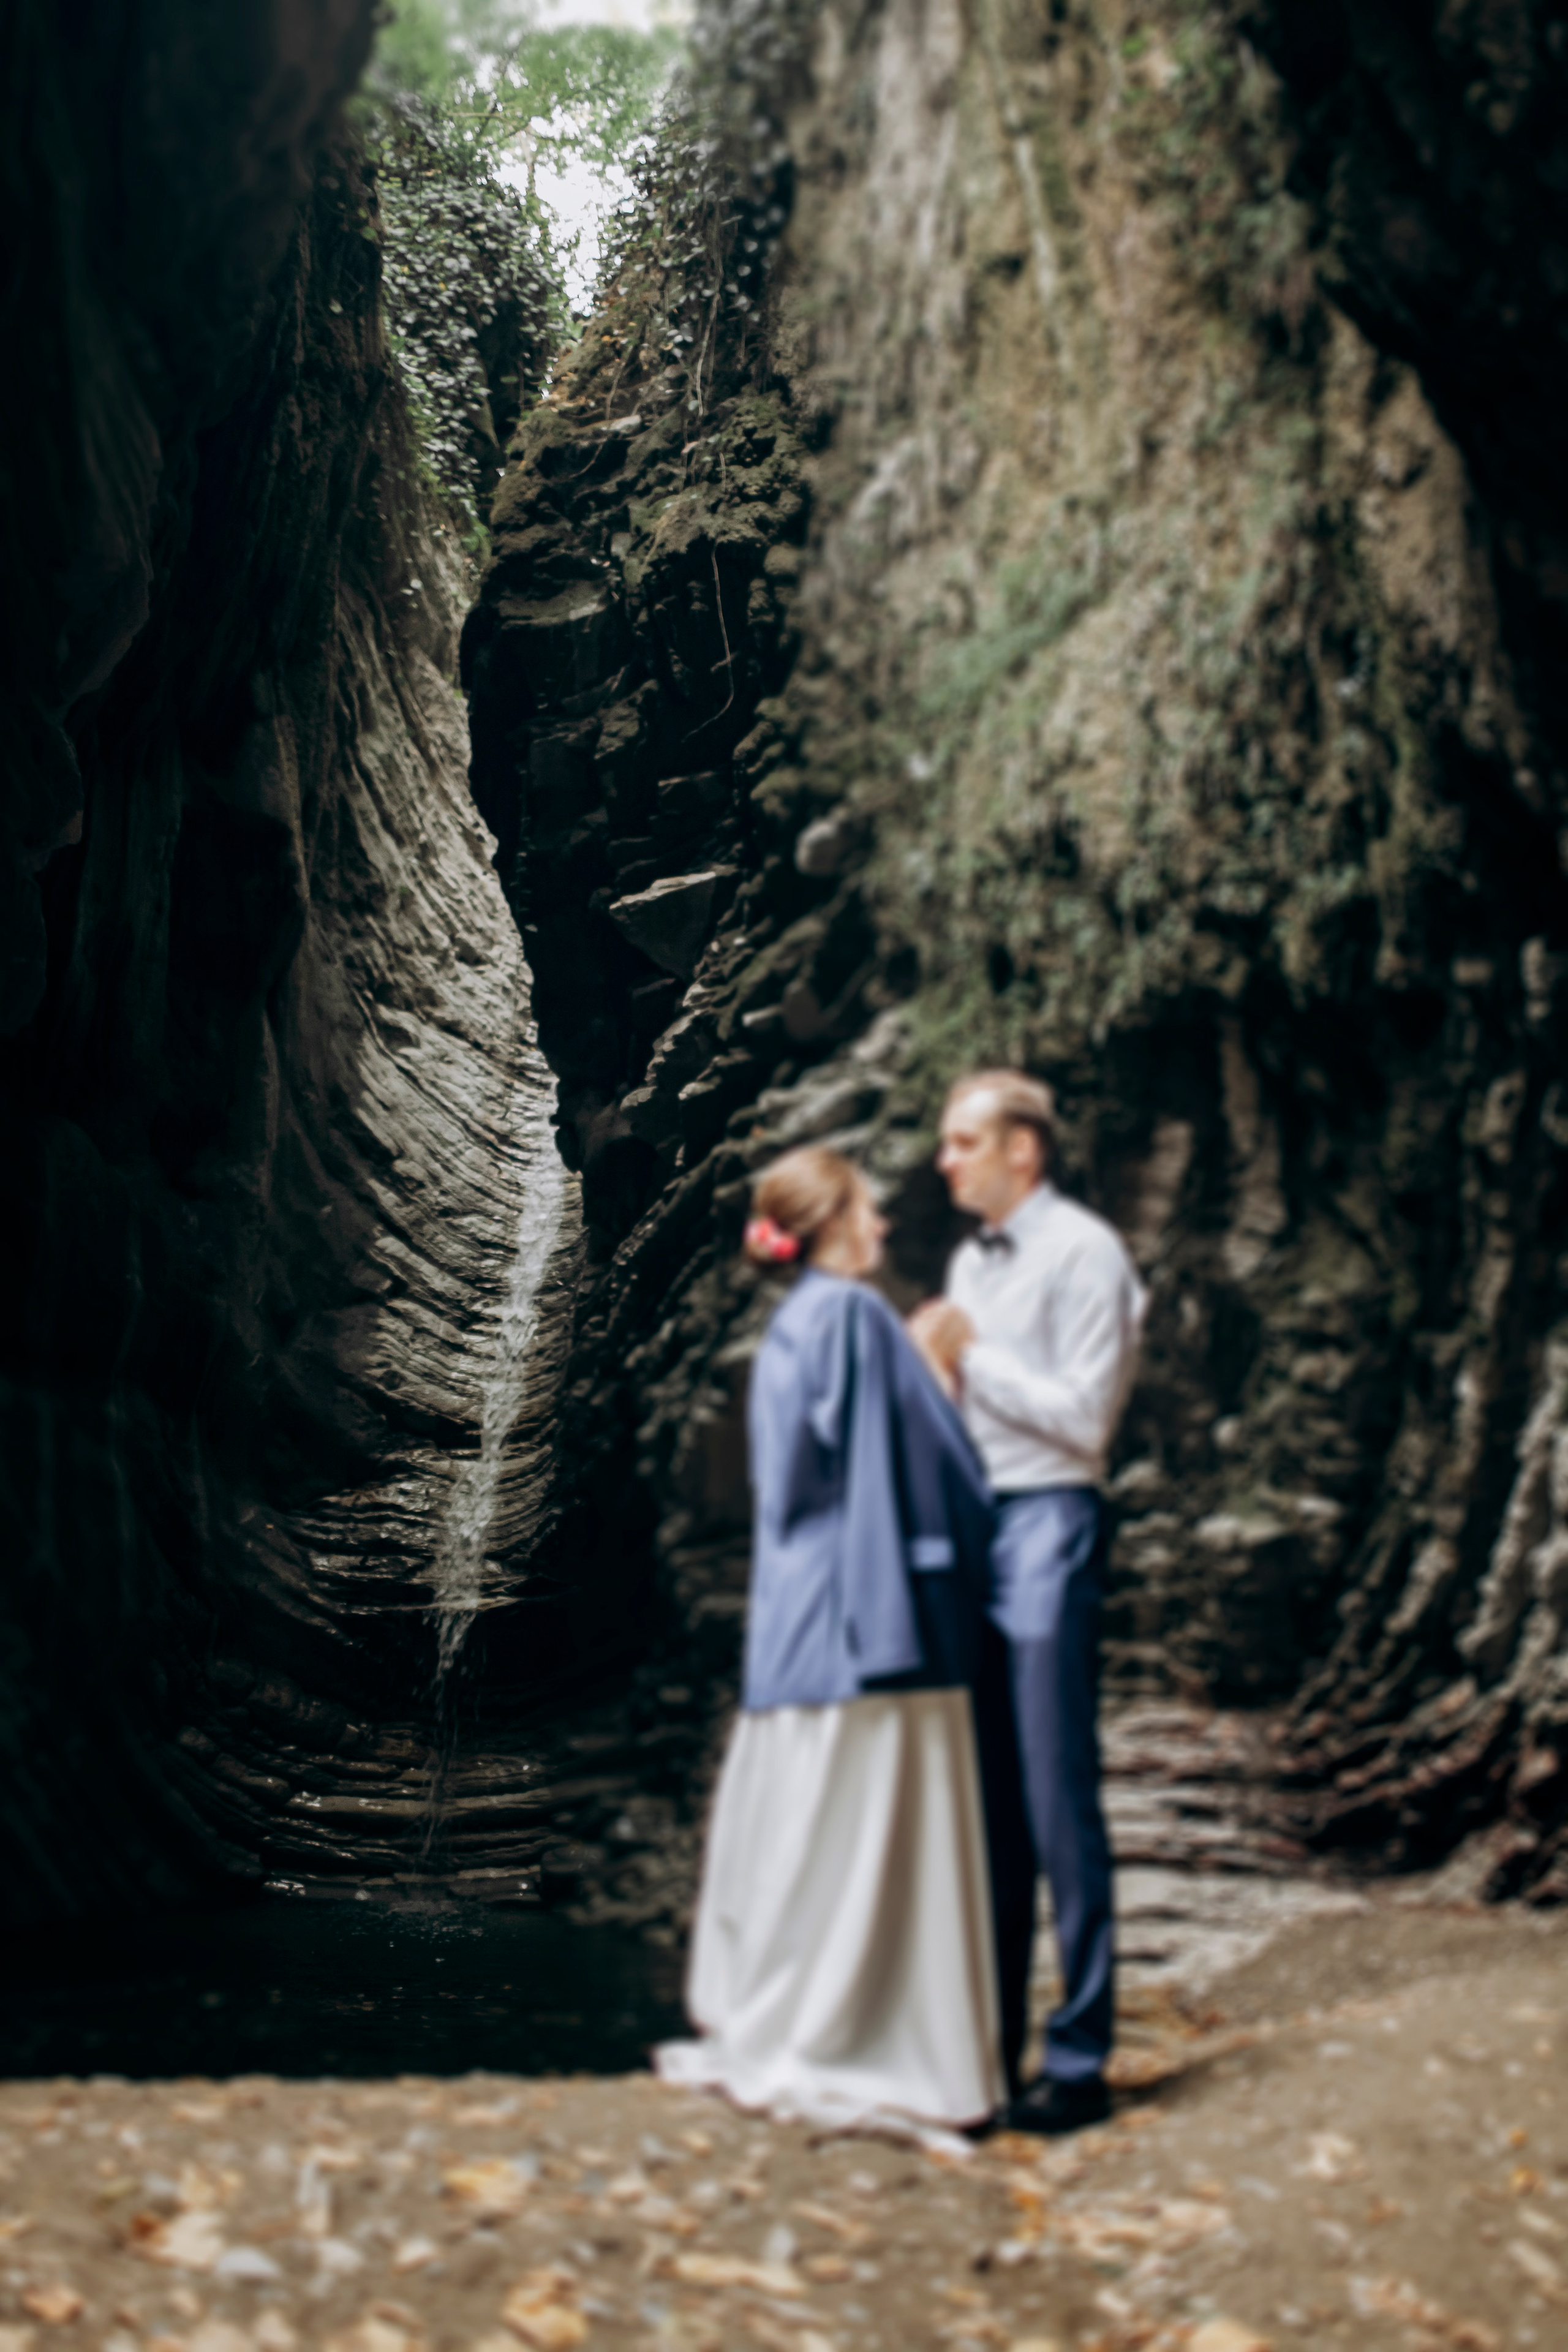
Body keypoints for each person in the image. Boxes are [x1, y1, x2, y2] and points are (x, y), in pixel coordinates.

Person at [657, 1145, 1003, 2135]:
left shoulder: (788, 1331)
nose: (885, 1227)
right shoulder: (853, 1315)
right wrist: (935, 1366)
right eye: (869, 1209)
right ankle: (868, 2042)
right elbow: (899, 1464)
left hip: (799, 1628)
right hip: (871, 1629)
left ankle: (787, 2021)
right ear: (835, 1224)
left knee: (807, 1838)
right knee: (871, 1845)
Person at [909, 1071, 1146, 2135]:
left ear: (1024, 1153)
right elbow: (973, 1411)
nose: (944, 1159)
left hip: (1053, 1519)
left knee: (1058, 1797)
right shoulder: (968, 1259)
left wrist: (976, 1358)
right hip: (980, 1523)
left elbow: (1086, 1424)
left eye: (963, 1142)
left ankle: (1082, 2059)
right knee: (988, 1807)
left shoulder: (1087, 1252)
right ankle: (986, 2059)